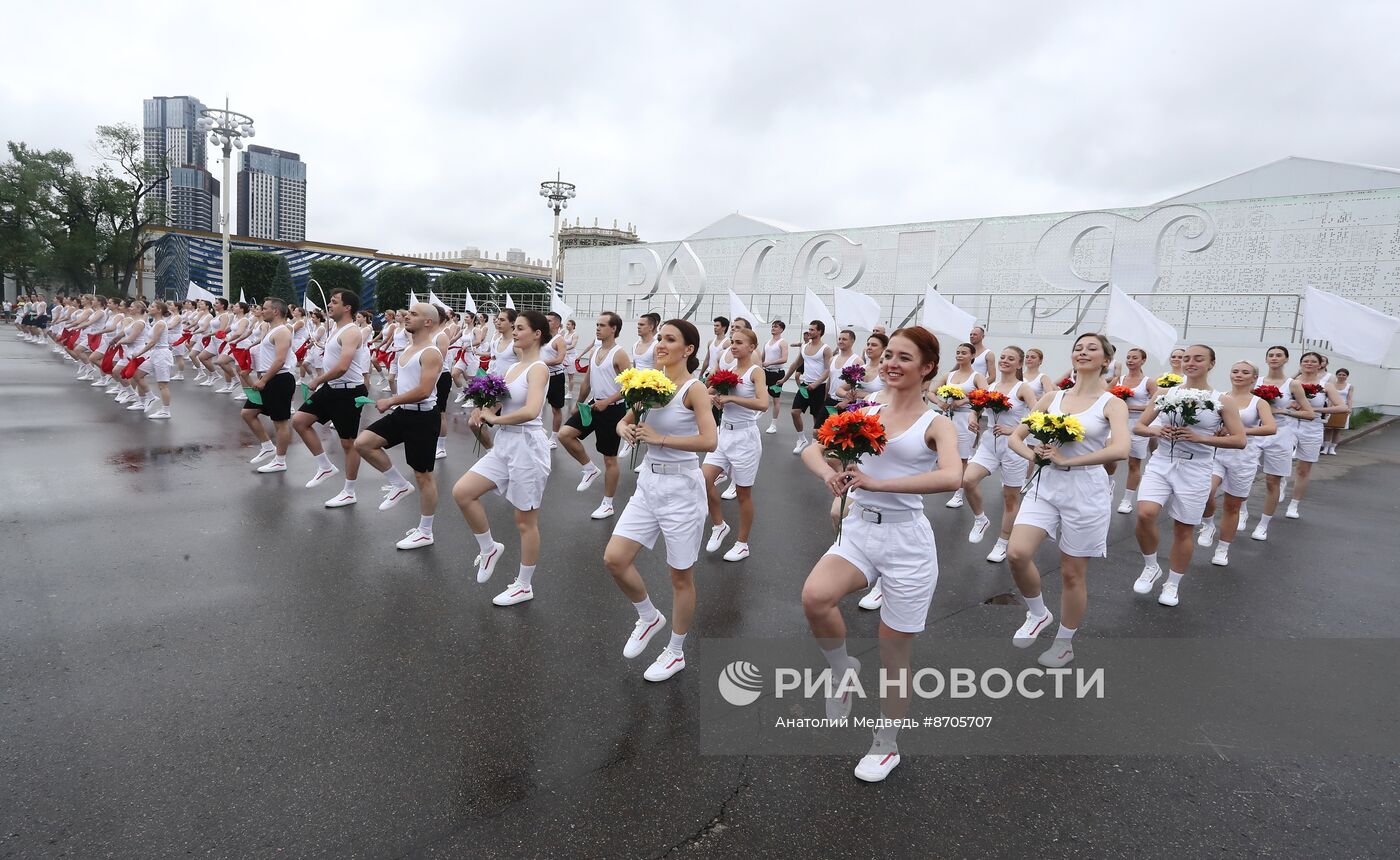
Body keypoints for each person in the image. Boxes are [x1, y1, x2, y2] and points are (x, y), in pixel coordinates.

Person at [799, 326, 961, 783]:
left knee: (894, 655)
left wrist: (879, 484)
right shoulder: (863, 410)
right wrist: (829, 477)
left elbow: (953, 476)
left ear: (927, 367)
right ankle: (841, 670)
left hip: (906, 543)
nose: (891, 363)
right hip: (858, 532)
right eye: (888, 355)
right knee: (815, 598)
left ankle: (885, 744)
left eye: (904, 357)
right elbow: (814, 449)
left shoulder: (937, 424)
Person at [1006, 333, 1130, 667]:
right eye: (1078, 348)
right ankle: (1037, 613)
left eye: (1092, 349)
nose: (1083, 352)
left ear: (1106, 360)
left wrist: (1068, 461)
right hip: (1045, 485)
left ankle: (1064, 643)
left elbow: (1120, 448)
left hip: (1085, 491)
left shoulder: (1111, 403)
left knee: (1072, 574)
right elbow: (1016, 438)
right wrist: (1035, 453)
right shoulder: (1050, 398)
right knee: (1016, 553)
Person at [603, 319, 717, 682]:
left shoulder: (693, 389)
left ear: (688, 350)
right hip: (648, 484)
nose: (661, 345)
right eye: (661, 338)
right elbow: (625, 420)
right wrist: (627, 429)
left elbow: (710, 441)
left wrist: (661, 439)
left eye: (670, 339)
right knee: (615, 559)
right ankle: (649, 616)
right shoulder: (647, 382)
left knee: (680, 576)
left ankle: (675, 651)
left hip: (682, 488)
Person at [1131, 344, 1245, 607]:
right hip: (1161, 462)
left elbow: (1240, 440)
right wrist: (1156, 432)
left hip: (1196, 467)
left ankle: (1173, 583)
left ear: (1212, 364)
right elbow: (1139, 426)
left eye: (1198, 359)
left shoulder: (1222, 400)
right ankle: (1151, 566)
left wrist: (1201, 438)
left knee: (1183, 529)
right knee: (1145, 513)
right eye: (1186, 358)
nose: (1189, 362)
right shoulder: (1164, 392)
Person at [454, 310, 553, 603]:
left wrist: (494, 420)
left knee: (525, 521)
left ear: (537, 334)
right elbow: (500, 405)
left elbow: (532, 410)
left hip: (528, 446)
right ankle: (488, 548)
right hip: (505, 444)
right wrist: (482, 412)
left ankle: (524, 584)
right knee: (463, 492)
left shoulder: (539, 368)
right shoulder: (512, 369)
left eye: (520, 328)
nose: (515, 332)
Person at [353, 304, 446, 548]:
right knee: (363, 443)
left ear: (428, 322)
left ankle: (426, 531)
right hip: (403, 413)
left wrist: (391, 400)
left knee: (423, 475)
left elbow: (425, 391)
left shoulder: (431, 352)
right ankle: (398, 484)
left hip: (423, 417)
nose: (407, 316)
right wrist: (395, 403)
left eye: (414, 314)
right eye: (408, 313)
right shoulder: (409, 348)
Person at [963, 347, 1039, 562]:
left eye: (1010, 358)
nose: (1004, 360)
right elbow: (976, 406)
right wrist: (972, 417)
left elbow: (1038, 415)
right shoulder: (992, 386)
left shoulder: (1022, 388)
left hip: (1013, 449)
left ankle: (1002, 542)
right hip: (989, 444)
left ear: (1019, 364)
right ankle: (980, 519)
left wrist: (1014, 431)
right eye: (1003, 357)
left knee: (1010, 498)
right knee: (968, 480)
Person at [294, 289, 369, 507]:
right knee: (299, 421)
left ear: (347, 308)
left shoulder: (352, 331)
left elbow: (343, 367)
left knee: (349, 443)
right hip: (331, 388)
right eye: (329, 301)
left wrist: (317, 380)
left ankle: (349, 491)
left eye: (334, 302)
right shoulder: (335, 329)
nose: (329, 305)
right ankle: (325, 466)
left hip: (349, 391)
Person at [1196, 361, 1276, 566]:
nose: (1239, 375)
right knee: (1205, 493)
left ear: (1254, 378)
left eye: (1245, 372)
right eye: (1235, 371)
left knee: (1232, 506)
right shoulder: (1220, 398)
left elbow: (1270, 428)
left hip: (1244, 458)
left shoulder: (1258, 402)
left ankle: (1223, 548)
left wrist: (1240, 430)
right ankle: (1208, 524)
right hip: (1218, 454)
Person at [701, 326, 770, 561]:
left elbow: (763, 404)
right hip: (723, 435)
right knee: (703, 480)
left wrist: (731, 397)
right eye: (732, 341)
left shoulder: (755, 372)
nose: (734, 345)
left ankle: (742, 543)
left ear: (752, 347)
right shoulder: (727, 368)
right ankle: (719, 526)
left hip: (745, 439)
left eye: (739, 342)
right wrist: (711, 397)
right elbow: (707, 391)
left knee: (743, 494)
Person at [559, 312, 632, 520]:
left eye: (602, 325)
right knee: (565, 434)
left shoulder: (619, 354)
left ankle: (608, 504)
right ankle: (589, 469)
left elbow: (630, 387)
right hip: (592, 405)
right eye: (597, 325)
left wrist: (607, 401)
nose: (597, 328)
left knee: (610, 459)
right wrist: (579, 403)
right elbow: (586, 382)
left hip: (612, 409)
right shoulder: (596, 351)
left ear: (613, 329)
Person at [1279, 351, 1347, 519]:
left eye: (1313, 361)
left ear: (1320, 365)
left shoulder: (1325, 386)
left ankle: (1294, 504)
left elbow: (1343, 407)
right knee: (1282, 455)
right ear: (1300, 364)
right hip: (1289, 424)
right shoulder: (1290, 383)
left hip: (1312, 426)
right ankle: (1280, 480)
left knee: (1303, 469)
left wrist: (1315, 409)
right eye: (1305, 361)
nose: (1309, 363)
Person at [242, 299, 297, 473]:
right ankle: (267, 446)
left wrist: (264, 379)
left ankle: (280, 460)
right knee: (248, 413)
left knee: (280, 423)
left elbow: (280, 360)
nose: (261, 311)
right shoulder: (271, 329)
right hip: (270, 379)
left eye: (264, 308)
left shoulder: (282, 331)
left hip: (279, 380)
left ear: (275, 311)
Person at [932, 343, 986, 508]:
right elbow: (930, 391)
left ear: (972, 356)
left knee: (963, 456)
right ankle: (945, 480)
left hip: (965, 418)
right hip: (947, 417)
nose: (960, 355)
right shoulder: (949, 375)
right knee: (940, 452)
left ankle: (959, 493)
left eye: (964, 353)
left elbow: (985, 394)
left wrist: (965, 400)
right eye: (958, 352)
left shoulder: (977, 376)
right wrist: (940, 404)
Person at [1114, 348, 1159, 514]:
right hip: (1118, 423)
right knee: (1110, 458)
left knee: (1134, 463)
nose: (1130, 360)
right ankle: (1109, 484)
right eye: (1128, 357)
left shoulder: (1148, 382)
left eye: (1134, 358)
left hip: (1137, 424)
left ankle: (1127, 499)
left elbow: (1157, 404)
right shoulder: (1119, 379)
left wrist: (1132, 407)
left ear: (1143, 360)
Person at [780, 320, 832, 455]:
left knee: (817, 418)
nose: (809, 332)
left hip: (819, 387)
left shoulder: (825, 349)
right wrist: (784, 379)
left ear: (820, 331)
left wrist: (816, 383)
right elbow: (795, 364)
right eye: (809, 329)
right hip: (804, 387)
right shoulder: (804, 346)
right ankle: (802, 439)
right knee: (794, 412)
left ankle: (815, 445)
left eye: (812, 330)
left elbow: (828, 370)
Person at [125, 300, 175, 420]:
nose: (149, 308)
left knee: (163, 384)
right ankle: (150, 397)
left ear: (159, 310)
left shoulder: (160, 324)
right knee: (137, 374)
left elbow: (153, 342)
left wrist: (139, 353)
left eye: (152, 307)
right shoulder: (155, 322)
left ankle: (165, 411)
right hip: (155, 354)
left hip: (162, 354)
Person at [541, 311, 569, 449]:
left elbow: (559, 359)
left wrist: (541, 363)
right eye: (546, 320)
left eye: (550, 321)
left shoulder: (559, 340)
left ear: (558, 324)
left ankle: (554, 437)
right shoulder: (542, 337)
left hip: (556, 377)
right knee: (536, 404)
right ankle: (538, 430)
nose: (547, 322)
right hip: (541, 376)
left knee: (556, 409)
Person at [760, 320, 789, 433]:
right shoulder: (767, 342)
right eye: (772, 326)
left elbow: (784, 359)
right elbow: (762, 357)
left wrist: (770, 363)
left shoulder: (782, 342)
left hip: (777, 373)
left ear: (781, 329)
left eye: (776, 327)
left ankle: (773, 424)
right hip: (765, 371)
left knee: (776, 398)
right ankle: (762, 408)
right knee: (759, 391)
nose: (773, 328)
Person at [1322, 368, 1353, 454]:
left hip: (1343, 409)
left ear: (1347, 376)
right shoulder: (1331, 385)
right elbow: (1329, 397)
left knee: (1337, 429)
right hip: (1332, 408)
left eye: (1344, 375)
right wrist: (1328, 409)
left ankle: (1332, 448)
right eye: (1339, 374)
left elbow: (1349, 398)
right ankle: (1325, 447)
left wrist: (1349, 408)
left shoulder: (1349, 386)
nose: (1341, 376)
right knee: (1328, 428)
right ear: (1336, 375)